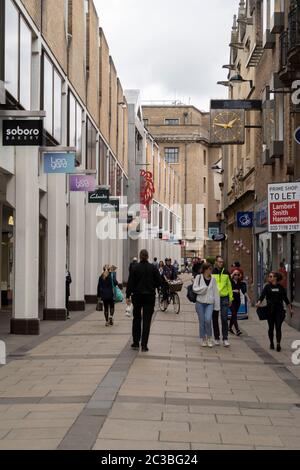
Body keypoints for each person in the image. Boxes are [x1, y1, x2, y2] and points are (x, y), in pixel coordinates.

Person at [126, 249, 162, 352]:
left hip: (137, 296)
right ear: (148, 256)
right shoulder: (153, 268)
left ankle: (136, 342)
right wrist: (152, 286)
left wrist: (128, 295)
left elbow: (130, 283)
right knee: (147, 321)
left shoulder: (135, 268)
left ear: (140, 256)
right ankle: (144, 345)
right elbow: (159, 282)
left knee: (136, 319)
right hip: (149, 296)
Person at [256, 272, 293, 352]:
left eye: (271, 276)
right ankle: (271, 342)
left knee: (278, 327)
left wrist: (290, 308)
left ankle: (278, 343)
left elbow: (285, 299)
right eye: (269, 276)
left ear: (275, 278)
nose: (269, 278)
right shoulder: (267, 287)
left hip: (279, 310)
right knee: (271, 328)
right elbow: (262, 296)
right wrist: (259, 302)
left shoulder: (281, 287)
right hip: (270, 310)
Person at [193, 263, 220, 348]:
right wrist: (203, 289)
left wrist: (217, 306)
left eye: (211, 269)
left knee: (208, 320)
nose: (211, 271)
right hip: (200, 303)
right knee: (202, 321)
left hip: (210, 303)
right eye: (209, 269)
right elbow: (194, 288)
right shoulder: (199, 277)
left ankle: (209, 337)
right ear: (205, 269)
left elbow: (216, 293)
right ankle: (203, 338)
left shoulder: (213, 279)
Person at [212, 256, 233, 347]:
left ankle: (225, 338)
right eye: (219, 262)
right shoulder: (212, 272)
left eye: (222, 262)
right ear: (216, 262)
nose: (221, 263)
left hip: (224, 298)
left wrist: (231, 298)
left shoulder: (226, 272)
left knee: (224, 318)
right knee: (215, 318)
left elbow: (229, 286)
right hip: (214, 298)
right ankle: (217, 338)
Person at [229, 270, 246, 336]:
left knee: (234, 314)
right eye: (235, 274)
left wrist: (248, 298)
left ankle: (229, 328)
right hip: (231, 300)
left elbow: (243, 291)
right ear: (233, 275)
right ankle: (237, 330)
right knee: (234, 314)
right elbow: (228, 289)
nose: (236, 276)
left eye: (238, 275)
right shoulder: (230, 281)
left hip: (237, 300)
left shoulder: (239, 282)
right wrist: (234, 290)